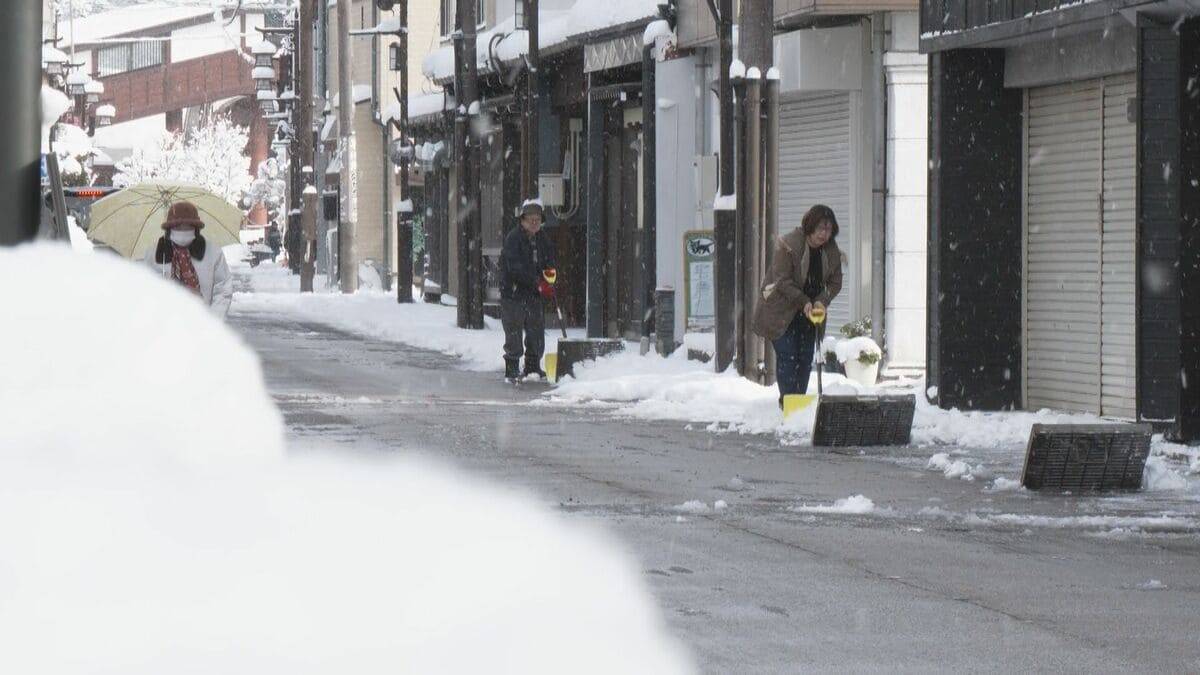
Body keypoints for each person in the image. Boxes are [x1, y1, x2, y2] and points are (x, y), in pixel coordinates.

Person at [752, 204, 843, 406]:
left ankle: (798, 403)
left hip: (810, 313)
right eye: (821, 228)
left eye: (829, 230)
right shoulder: (789, 245)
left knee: (805, 358)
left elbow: (835, 282)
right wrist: (804, 302)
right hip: (782, 310)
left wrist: (821, 300)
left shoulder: (830, 250)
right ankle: (788, 402)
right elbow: (781, 280)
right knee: (788, 356)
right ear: (810, 226)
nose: (824, 235)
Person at [499, 201, 557, 382]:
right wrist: (536, 283)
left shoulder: (543, 239)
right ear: (522, 221)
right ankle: (512, 368)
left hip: (533, 295)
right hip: (514, 293)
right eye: (530, 219)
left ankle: (533, 367)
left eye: (537, 220)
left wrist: (550, 276)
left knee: (536, 331)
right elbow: (515, 268)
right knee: (514, 330)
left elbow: (548, 260)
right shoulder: (513, 239)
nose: (534, 223)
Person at [145, 200, 233, 317]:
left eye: (187, 226)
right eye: (178, 227)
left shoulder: (213, 252)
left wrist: (213, 321)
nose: (182, 231)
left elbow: (223, 290)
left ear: (196, 228)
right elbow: (145, 289)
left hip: (203, 324)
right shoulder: (155, 253)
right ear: (169, 228)